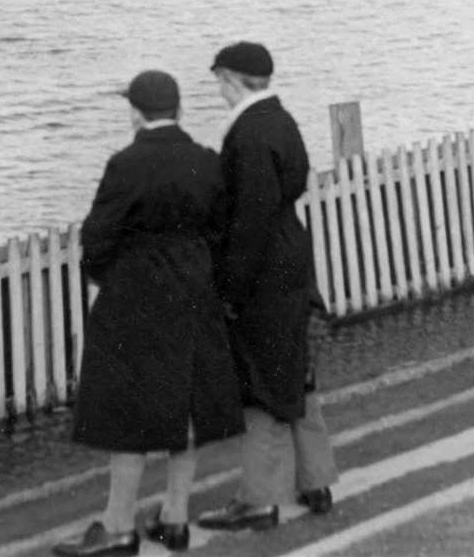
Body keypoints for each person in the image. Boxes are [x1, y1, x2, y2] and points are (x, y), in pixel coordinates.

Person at [53, 70, 244, 557]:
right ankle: (174, 518)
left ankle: (119, 526)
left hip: (136, 298)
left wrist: (110, 278)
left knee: (127, 414)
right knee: (186, 408)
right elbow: (222, 231)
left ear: (136, 112)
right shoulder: (206, 161)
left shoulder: (126, 164)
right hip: (194, 294)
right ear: (178, 111)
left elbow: (96, 239)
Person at [196, 42, 338, 532]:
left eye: (218, 81)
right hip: (291, 258)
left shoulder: (247, 133)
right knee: (298, 374)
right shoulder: (281, 120)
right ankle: (315, 481)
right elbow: (292, 185)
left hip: (262, 274)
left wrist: (229, 291)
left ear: (232, 80)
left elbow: (249, 221)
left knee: (257, 387)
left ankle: (258, 498)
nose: (218, 90)